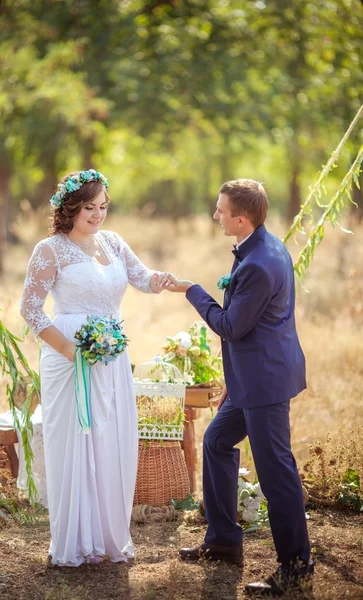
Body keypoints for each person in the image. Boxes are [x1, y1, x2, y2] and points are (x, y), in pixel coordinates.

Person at [162, 179, 314, 596]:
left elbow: (231, 325)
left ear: (241, 218)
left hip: (265, 383)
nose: (215, 215)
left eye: (220, 210)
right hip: (250, 377)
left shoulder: (259, 263)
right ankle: (225, 540)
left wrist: (193, 292)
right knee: (215, 441)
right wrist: (233, 379)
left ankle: (296, 567)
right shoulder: (261, 246)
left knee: (275, 473)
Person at [20, 169, 170, 567]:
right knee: (73, 441)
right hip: (69, 357)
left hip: (111, 355)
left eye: (104, 206)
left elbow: (142, 278)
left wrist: (168, 282)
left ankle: (105, 538)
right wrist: (70, 351)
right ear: (70, 207)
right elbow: (30, 310)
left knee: (110, 438)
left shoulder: (115, 243)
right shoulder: (50, 250)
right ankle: (73, 541)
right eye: (90, 207)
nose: (99, 214)